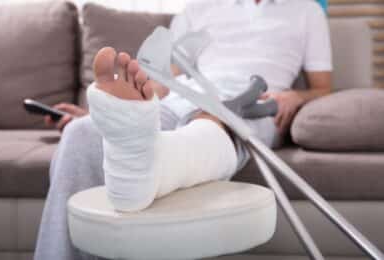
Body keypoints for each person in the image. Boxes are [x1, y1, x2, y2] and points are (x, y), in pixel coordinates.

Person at [34, 0, 332, 259]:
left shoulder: (307, 11)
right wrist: (105, 116)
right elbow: (162, 82)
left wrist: (296, 96)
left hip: (258, 104)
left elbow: (322, 88)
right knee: (80, 135)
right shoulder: (197, 9)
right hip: (181, 96)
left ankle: (152, 160)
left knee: (210, 119)